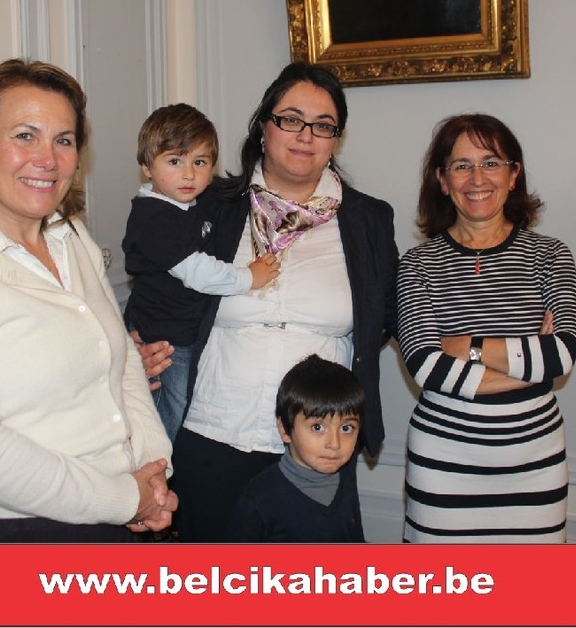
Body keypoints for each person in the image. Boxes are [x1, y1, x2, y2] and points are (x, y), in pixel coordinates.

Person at [0, 58, 178, 542]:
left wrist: (153, 467)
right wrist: (127, 498)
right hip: (3, 530)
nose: (49, 159)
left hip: (113, 504)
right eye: (25, 136)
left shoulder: (70, 235)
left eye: (64, 140)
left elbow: (122, 359)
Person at [138, 61, 399, 542]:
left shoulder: (368, 219)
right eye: (291, 119)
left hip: (316, 445)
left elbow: (383, 318)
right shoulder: (209, 204)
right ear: (264, 126)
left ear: (335, 139)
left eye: (323, 125)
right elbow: (156, 279)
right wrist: (135, 345)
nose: (305, 135)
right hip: (212, 431)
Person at [396, 112, 576, 543]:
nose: (477, 178)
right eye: (461, 165)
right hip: (442, 460)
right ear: (443, 181)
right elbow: (426, 367)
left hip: (535, 461)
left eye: (491, 163)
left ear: (513, 175)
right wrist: (529, 365)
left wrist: (466, 346)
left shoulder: (551, 255)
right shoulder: (418, 264)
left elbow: (560, 355)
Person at [122, 103, 279, 442]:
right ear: (146, 167)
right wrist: (249, 277)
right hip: (163, 338)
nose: (189, 174)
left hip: (182, 330)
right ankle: (153, 466)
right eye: (174, 161)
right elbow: (197, 272)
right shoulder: (153, 217)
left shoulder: (190, 203)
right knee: (168, 414)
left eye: (200, 162)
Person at [225, 354, 366, 543]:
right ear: (285, 430)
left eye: (346, 428)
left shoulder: (345, 481)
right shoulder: (259, 499)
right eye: (317, 427)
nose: (335, 443)